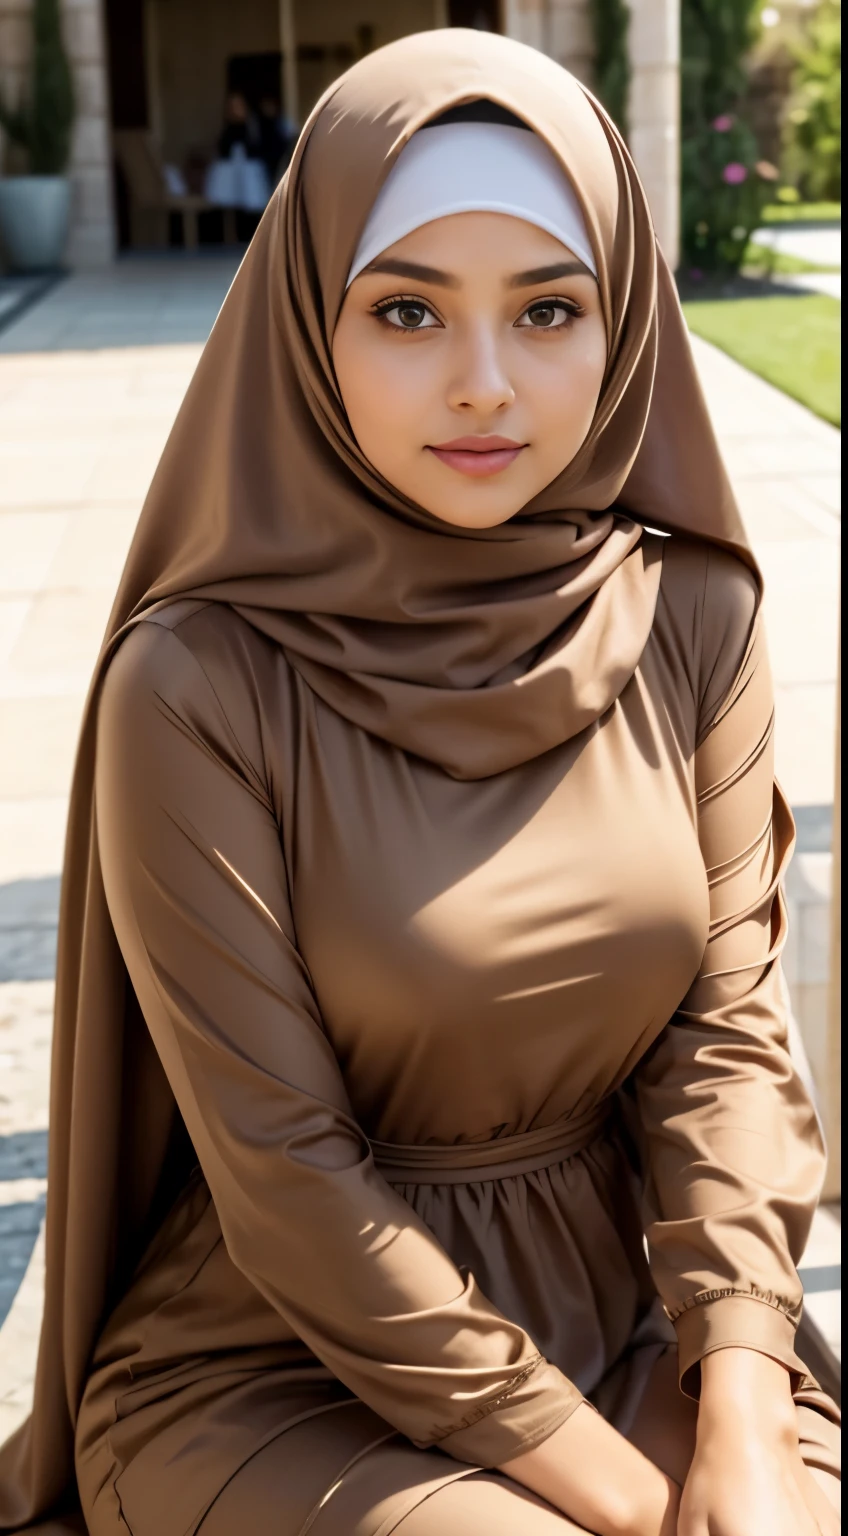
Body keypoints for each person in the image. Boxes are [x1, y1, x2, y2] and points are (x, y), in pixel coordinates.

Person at [0, 29, 840, 1536]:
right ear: (308, 333)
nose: (485, 386)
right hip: (278, 1363)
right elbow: (285, 1181)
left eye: (548, 310)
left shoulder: (693, 616)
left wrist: (747, 1409)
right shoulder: (194, 687)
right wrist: (635, 1507)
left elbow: (727, 1044)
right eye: (406, 311)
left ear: (624, 322)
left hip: (638, 1323)